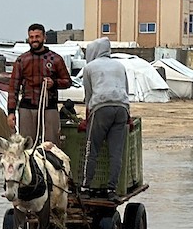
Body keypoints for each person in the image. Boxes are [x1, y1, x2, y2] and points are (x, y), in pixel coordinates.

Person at [80, 37, 130, 201]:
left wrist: (87, 119)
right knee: (116, 153)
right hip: (121, 110)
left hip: (101, 109)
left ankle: (86, 187)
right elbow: (126, 92)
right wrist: (128, 116)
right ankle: (111, 190)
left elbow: (88, 97)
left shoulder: (89, 67)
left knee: (91, 150)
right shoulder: (120, 66)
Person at [7, 23, 71, 146]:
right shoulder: (21, 60)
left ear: (44, 37)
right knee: (27, 146)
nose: (34, 40)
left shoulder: (56, 59)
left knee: (51, 146)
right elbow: (13, 87)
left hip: (49, 107)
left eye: (37, 36)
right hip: (27, 107)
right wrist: (11, 112)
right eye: (31, 37)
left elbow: (67, 81)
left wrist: (54, 83)